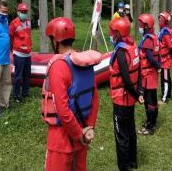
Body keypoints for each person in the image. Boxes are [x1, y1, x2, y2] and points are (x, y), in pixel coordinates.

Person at [42, 17, 101, 171]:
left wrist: (78, 134)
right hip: (82, 136)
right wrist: (89, 128)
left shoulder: (58, 66)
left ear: (55, 40)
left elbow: (62, 110)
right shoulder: (84, 62)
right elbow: (95, 98)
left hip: (61, 141)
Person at [108, 18, 144, 171]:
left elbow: (126, 79)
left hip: (122, 98)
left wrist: (137, 94)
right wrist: (139, 92)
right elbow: (139, 71)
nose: (111, 35)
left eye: (113, 32)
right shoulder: (132, 46)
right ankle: (133, 162)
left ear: (118, 32)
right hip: (130, 99)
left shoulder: (122, 52)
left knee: (121, 135)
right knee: (130, 130)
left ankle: (124, 167)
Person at [137, 14, 161, 135]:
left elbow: (150, 57)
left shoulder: (148, 40)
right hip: (151, 73)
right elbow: (158, 55)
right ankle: (152, 121)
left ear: (147, 26)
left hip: (148, 74)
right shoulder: (154, 37)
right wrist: (158, 65)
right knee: (152, 99)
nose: (140, 27)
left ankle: (151, 126)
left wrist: (157, 65)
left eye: (142, 25)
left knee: (149, 101)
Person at [9, 3, 32, 103]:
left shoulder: (28, 22)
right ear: (18, 12)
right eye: (22, 12)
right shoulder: (14, 24)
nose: (24, 13)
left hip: (28, 54)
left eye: (25, 12)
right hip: (19, 54)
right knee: (18, 76)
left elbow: (28, 36)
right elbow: (10, 37)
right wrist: (11, 50)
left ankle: (25, 92)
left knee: (27, 75)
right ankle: (16, 95)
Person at [158, 12, 172, 103]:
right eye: (159, 19)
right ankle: (168, 94)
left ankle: (165, 98)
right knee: (166, 77)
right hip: (164, 58)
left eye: (161, 19)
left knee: (165, 78)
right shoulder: (164, 30)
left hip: (165, 59)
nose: (159, 20)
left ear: (165, 21)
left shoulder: (165, 32)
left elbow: (170, 46)